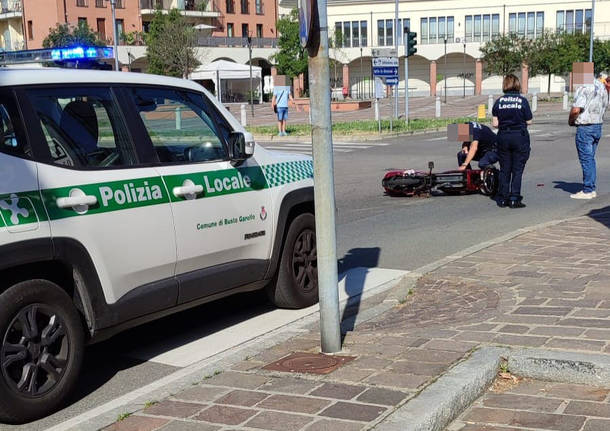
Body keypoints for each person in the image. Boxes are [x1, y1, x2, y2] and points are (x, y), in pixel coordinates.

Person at [492, 74, 533, 209]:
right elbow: (529, 121)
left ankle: (502, 198)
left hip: (503, 136)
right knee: (517, 169)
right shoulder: (522, 101)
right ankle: (514, 198)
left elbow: (495, 124)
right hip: (519, 136)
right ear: (517, 84)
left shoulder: (499, 102)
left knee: (505, 169)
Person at [568, 74, 610, 199]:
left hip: (585, 126)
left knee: (586, 159)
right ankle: (590, 188)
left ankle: (588, 189)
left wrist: (571, 121)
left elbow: (576, 109)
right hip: (598, 125)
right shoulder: (601, 87)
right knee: (590, 158)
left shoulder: (584, 87)